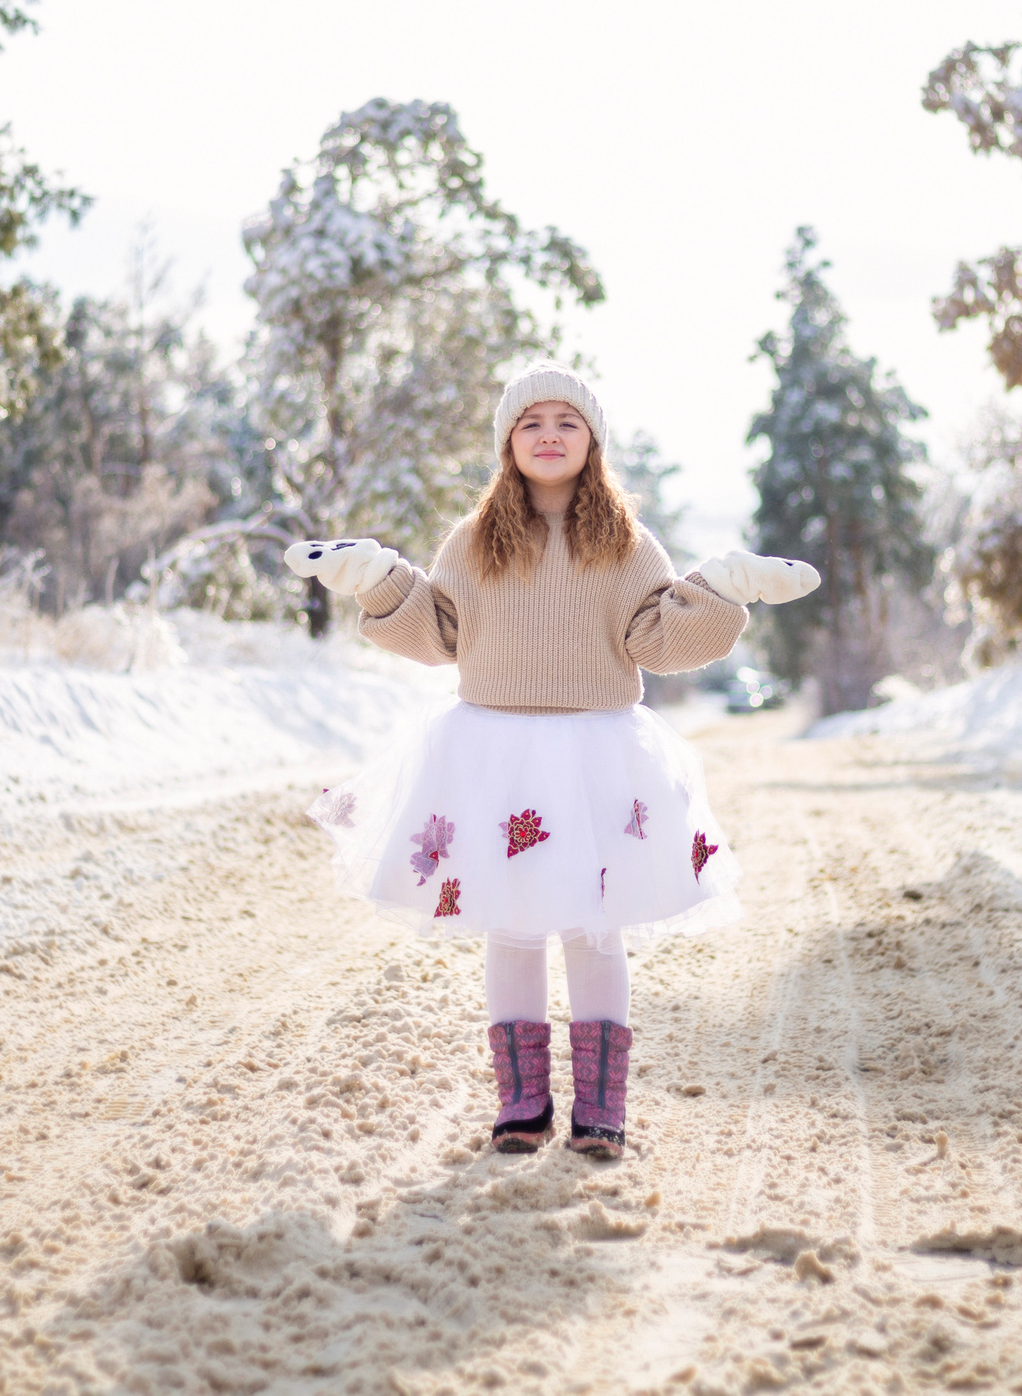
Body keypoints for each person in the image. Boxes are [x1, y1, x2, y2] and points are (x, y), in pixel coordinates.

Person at [284, 364, 819, 1158]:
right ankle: (522, 1102)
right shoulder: (471, 543)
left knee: (595, 929)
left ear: (592, 441)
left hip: (595, 753)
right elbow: (436, 632)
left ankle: (602, 1105)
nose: (548, 435)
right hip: (496, 753)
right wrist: (379, 578)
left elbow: (659, 637)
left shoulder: (629, 546)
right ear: (508, 441)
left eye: (566, 421)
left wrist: (721, 588)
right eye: (530, 422)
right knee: (513, 927)